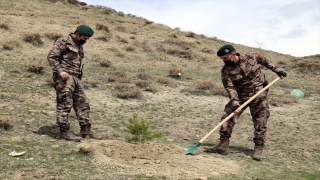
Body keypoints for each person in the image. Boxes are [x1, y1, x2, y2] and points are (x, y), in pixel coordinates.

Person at [204, 44, 287, 161]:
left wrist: (278, 70)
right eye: (222, 59)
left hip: (259, 93)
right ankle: (223, 145)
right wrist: (235, 104)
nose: (224, 61)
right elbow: (230, 88)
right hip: (240, 96)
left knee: (261, 120)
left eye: (226, 58)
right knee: (227, 117)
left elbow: (266, 62)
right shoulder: (226, 71)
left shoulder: (251, 56)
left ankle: (258, 147)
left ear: (233, 54)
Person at [47, 25, 102, 141]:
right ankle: (65, 132)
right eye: (84, 38)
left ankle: (86, 131)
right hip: (64, 77)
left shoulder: (79, 45)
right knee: (65, 104)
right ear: (77, 34)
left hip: (76, 78)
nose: (85, 41)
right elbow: (52, 57)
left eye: (87, 39)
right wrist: (60, 71)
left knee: (83, 104)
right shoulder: (64, 41)